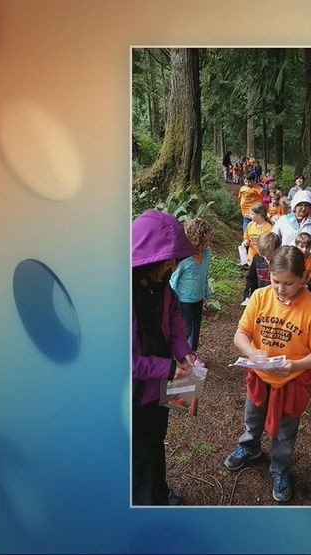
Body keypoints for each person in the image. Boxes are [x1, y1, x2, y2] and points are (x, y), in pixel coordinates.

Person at [224, 245, 311, 504]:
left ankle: (280, 469)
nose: (280, 289)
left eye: (288, 283)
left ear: (303, 279)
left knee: (285, 431)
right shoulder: (260, 297)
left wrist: (295, 366)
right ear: (269, 275)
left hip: (291, 382)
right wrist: (252, 353)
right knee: (253, 418)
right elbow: (240, 335)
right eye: (275, 281)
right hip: (260, 377)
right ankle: (249, 447)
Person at [132, 210, 197, 506]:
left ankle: (159, 492)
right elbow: (127, 361)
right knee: (139, 452)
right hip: (132, 393)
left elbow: (174, 322)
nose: (173, 266)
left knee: (156, 440)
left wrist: (183, 353)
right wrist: (170, 368)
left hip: (157, 384)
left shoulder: (163, 286)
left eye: (175, 259)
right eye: (168, 260)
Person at [170, 219, 213, 351]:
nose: (208, 243)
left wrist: (206, 292)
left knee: (196, 327)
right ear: (196, 239)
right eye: (206, 240)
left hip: (198, 298)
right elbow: (173, 280)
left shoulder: (207, 254)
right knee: (186, 328)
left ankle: (192, 354)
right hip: (184, 301)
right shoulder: (183, 258)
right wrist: (172, 301)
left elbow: (204, 274)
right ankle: (180, 355)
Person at [271, 189, 311, 261]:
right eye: (300, 205)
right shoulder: (283, 220)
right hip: (286, 262)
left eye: (307, 205)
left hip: (308, 263)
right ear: (295, 205)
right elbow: (272, 239)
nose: (303, 208)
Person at [242, 232, 281, 305]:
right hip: (261, 297)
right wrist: (248, 295)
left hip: (276, 299)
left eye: (270, 255)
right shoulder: (257, 259)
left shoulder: (282, 262)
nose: (266, 258)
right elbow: (251, 279)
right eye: (264, 255)